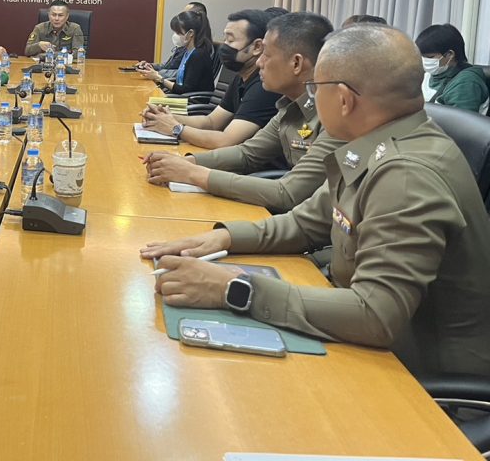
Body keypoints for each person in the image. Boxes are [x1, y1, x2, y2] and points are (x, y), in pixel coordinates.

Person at [140, 25, 490, 378]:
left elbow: (375, 315)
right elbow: (304, 223)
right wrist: (223, 237)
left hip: (418, 375)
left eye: (316, 88)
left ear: (343, 99)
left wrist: (233, 288)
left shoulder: (405, 175)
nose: (311, 99)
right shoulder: (373, 145)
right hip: (366, 330)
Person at [145, 12, 343, 213]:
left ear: (296, 63)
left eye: (267, 55)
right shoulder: (290, 106)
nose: (259, 62)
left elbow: (288, 193)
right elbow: (247, 153)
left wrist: (193, 173)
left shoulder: (335, 119)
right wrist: (186, 162)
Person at [141, 9, 281, 149]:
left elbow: (225, 140)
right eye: (225, 39)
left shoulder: (263, 86)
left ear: (257, 47)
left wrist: (175, 128)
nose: (224, 46)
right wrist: (163, 117)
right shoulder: (240, 78)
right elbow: (211, 122)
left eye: (230, 40)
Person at [415, 23, 489, 113]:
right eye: (421, 56)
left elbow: (459, 120)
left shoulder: (467, 83)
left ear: (449, 55)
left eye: (430, 57)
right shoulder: (429, 75)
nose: (424, 60)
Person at [136, 10, 214, 94]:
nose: (175, 35)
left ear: (190, 33)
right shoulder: (187, 52)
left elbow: (185, 89)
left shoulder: (198, 55)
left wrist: (159, 78)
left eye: (178, 32)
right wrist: (153, 72)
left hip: (190, 99)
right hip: (181, 96)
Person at [137, 1, 215, 77]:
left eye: (186, 14)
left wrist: (157, 74)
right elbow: (169, 65)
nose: (182, 16)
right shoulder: (186, 45)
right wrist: (150, 66)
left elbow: (183, 73)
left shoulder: (200, 49)